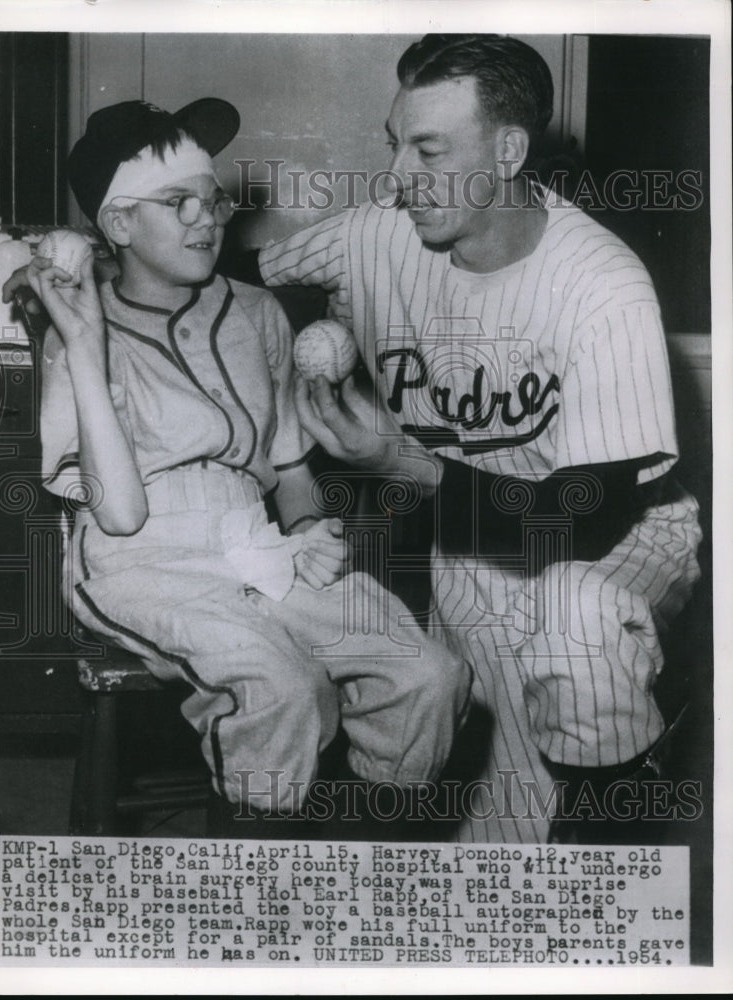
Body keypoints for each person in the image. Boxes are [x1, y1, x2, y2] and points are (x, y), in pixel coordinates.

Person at [255, 34, 702, 842]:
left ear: (507, 150)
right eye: (397, 146)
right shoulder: (376, 235)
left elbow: (580, 513)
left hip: (616, 541)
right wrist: (81, 277)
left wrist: (398, 460)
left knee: (577, 618)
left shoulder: (603, 285)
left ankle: (629, 814)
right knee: (501, 859)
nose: (397, 177)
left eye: (429, 150)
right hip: (472, 547)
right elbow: (225, 274)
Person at [27, 98, 470, 820]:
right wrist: (81, 343)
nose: (208, 219)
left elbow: (289, 470)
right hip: (137, 555)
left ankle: (373, 847)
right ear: (118, 224)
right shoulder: (77, 332)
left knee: (426, 670)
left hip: (250, 542)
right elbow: (119, 511)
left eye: (212, 199)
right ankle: (262, 855)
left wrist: (305, 534)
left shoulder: (257, 312)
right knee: (281, 686)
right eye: (179, 203)